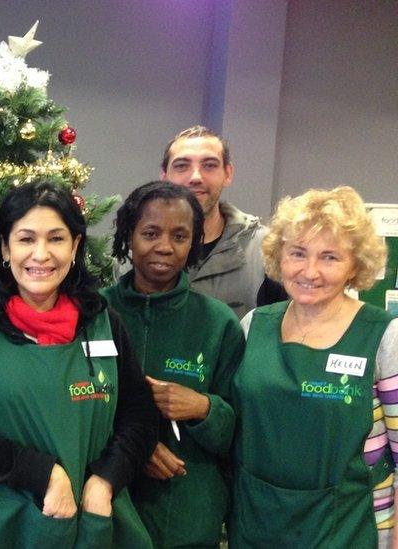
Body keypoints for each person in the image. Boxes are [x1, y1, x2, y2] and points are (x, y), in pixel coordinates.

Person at [0, 181, 158, 547]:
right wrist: (45, 476)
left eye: (56, 239)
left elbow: (140, 414)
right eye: (26, 239)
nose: (41, 254)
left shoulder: (102, 322)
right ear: (5, 248)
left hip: (95, 521)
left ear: (75, 246)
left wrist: (105, 480)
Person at [229, 186, 398, 548]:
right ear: (279, 256)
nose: (310, 271)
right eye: (298, 254)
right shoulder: (253, 326)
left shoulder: (385, 337)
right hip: (258, 522)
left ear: (356, 264)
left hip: (348, 527)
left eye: (330, 257)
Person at [102, 181, 245, 547]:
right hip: (108, 512)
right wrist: (134, 448)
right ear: (128, 237)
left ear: (194, 241)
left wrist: (203, 408)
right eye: (150, 233)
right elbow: (70, 410)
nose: (164, 246)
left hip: (188, 517)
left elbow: (241, 431)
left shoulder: (217, 322)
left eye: (180, 235)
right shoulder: (94, 313)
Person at [159, 125, 286, 318]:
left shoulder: (265, 248)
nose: (195, 177)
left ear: (228, 173)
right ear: (164, 176)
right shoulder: (139, 250)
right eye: (182, 166)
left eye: (209, 165)